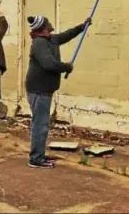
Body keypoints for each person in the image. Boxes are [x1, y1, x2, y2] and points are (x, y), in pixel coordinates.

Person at [25, 15, 92, 169]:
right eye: (48, 22)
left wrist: (82, 26)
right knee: (40, 125)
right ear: (44, 27)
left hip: (44, 90)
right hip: (39, 90)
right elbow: (48, 63)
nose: (50, 24)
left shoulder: (50, 39)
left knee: (42, 124)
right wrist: (66, 67)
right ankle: (36, 159)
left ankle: (39, 154)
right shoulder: (39, 43)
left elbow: (66, 35)